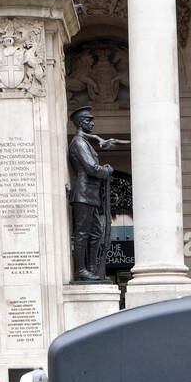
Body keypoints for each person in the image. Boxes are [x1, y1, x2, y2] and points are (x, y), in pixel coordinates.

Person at [68, 106, 125, 281]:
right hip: (83, 194)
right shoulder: (78, 143)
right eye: (88, 120)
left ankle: (91, 269)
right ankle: (81, 270)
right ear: (79, 123)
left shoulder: (85, 141)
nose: (92, 123)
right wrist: (107, 170)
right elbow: (92, 168)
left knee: (96, 233)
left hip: (90, 196)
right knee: (82, 233)